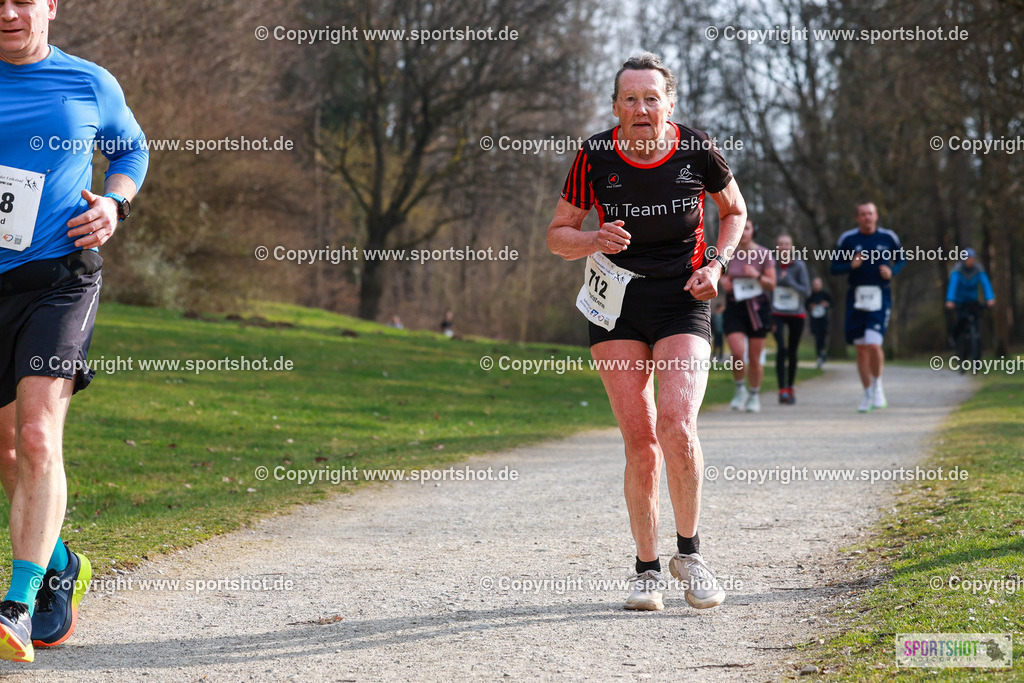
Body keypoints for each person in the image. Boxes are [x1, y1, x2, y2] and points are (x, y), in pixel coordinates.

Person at [547, 52, 745, 611]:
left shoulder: (696, 150)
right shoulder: (595, 156)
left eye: (651, 97)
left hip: (684, 299)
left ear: (669, 104)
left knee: (678, 423)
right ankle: (646, 570)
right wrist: (592, 240)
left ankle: (691, 552)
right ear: (615, 107)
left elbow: (735, 211)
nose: (641, 108)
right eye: (629, 99)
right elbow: (558, 234)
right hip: (618, 306)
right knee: (641, 442)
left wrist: (718, 264)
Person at [0, 0, 149, 662]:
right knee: (7, 453)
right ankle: (61, 562)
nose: (8, 12)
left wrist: (114, 204)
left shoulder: (89, 83)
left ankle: (16, 605)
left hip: (60, 277)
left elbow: (131, 148)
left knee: (37, 434)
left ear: (51, 5)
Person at [830, 202, 905, 413]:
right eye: (862, 214)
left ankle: (878, 387)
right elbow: (834, 267)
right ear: (857, 218)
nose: (867, 217)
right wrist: (849, 265)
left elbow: (901, 260)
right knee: (861, 350)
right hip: (856, 296)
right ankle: (867, 392)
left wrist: (892, 271)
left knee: (874, 344)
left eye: (870, 213)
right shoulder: (848, 239)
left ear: (877, 215)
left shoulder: (888, 237)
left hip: (880, 296)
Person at [719, 220, 775, 413]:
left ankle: (754, 395)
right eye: (740, 228)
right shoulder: (727, 252)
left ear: (754, 231)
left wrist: (756, 276)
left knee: (754, 356)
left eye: (747, 228)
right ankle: (740, 389)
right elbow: (718, 273)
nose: (743, 232)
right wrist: (722, 280)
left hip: (758, 309)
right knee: (737, 352)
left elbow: (771, 284)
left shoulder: (763, 254)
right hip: (735, 306)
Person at [771, 234, 810, 404]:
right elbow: (766, 289)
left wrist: (790, 282)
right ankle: (782, 390)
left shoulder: (799, 266)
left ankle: (791, 387)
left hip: (796, 313)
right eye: (780, 244)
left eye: (787, 244)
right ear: (777, 247)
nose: (784, 247)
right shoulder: (772, 264)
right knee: (781, 349)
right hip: (777, 313)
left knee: (792, 351)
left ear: (791, 247)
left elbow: (807, 291)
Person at [945, 248, 994, 364]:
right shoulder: (957, 270)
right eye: (968, 259)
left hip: (973, 301)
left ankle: (976, 357)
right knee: (961, 321)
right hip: (960, 302)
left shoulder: (978, 269)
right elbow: (953, 285)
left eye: (972, 258)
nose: (970, 261)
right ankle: (954, 337)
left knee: (976, 327)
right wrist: (950, 300)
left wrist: (990, 298)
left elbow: (985, 283)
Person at [805, 277, 833, 369]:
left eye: (818, 284)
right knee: (817, 338)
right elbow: (806, 305)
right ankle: (819, 356)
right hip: (814, 321)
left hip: (823, 320)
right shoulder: (811, 295)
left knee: (823, 337)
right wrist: (810, 306)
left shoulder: (825, 294)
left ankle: (823, 352)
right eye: (815, 284)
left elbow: (831, 304)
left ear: (821, 285)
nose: (816, 286)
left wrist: (826, 304)